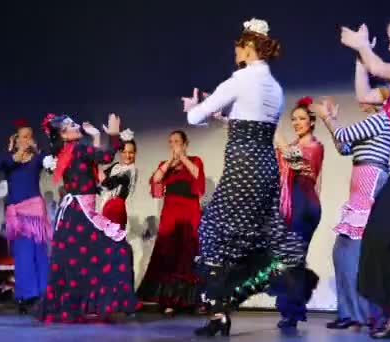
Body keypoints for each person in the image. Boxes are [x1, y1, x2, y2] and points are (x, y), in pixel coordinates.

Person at [182, 18, 317, 337]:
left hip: (243, 169)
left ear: (250, 47)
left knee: (214, 232)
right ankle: (219, 313)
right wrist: (223, 114)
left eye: (238, 46)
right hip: (264, 168)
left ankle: (219, 307)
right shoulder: (275, 87)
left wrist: (195, 107)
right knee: (252, 236)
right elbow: (249, 118)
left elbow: (194, 117)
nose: (235, 51)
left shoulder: (240, 79)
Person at [340, 1, 390, 337]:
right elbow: (366, 93)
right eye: (387, 41)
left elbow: (381, 68)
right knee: (381, 235)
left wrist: (364, 50)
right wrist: (361, 57)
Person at [36, 113, 140, 323]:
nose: (76, 126)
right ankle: (97, 303)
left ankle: (81, 305)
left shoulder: (67, 151)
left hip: (72, 213)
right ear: (64, 135)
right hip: (81, 213)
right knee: (116, 250)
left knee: (77, 261)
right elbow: (105, 157)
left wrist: (95, 135)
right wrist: (112, 134)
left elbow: (97, 159)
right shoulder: (78, 149)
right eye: (70, 125)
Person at [314, 97, 390, 332]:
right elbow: (344, 147)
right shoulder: (373, 121)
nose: (362, 97)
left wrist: (328, 117)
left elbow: (343, 135)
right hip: (361, 177)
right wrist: (333, 120)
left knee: (352, 252)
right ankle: (352, 313)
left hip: (369, 178)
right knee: (345, 253)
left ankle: (365, 314)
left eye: (369, 94)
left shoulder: (382, 119)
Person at [138, 130, 205, 316]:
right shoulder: (165, 165)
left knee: (188, 254)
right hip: (171, 214)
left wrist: (182, 158)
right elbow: (156, 181)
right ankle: (169, 301)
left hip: (189, 213)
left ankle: (190, 301)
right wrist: (170, 161)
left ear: (185, 143)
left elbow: (198, 178)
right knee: (168, 254)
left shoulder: (195, 160)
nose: (173, 144)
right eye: (171, 142)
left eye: (177, 141)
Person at [0, 119, 52, 314]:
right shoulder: (10, 161)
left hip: (35, 213)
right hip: (17, 214)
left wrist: (39, 150)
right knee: (23, 254)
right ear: (16, 139)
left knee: (39, 254)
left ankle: (44, 293)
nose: (27, 140)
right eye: (23, 137)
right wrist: (14, 153)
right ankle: (26, 295)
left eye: (30, 136)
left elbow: (51, 164)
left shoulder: (37, 159)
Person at [274, 96, 325, 328]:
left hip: (304, 205)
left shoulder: (314, 146)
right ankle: (292, 306)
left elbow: (295, 163)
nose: (296, 122)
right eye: (293, 119)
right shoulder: (294, 144)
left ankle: (292, 312)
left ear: (312, 122)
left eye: (302, 119)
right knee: (289, 259)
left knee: (292, 259)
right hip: (294, 203)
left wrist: (274, 129)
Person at [97, 134, 143, 287]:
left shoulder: (131, 170)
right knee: (105, 248)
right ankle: (107, 285)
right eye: (124, 151)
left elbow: (109, 183)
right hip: (106, 207)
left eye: (131, 152)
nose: (128, 155)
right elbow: (100, 185)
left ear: (135, 153)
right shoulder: (116, 166)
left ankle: (118, 287)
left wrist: (96, 167)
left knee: (114, 246)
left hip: (116, 208)